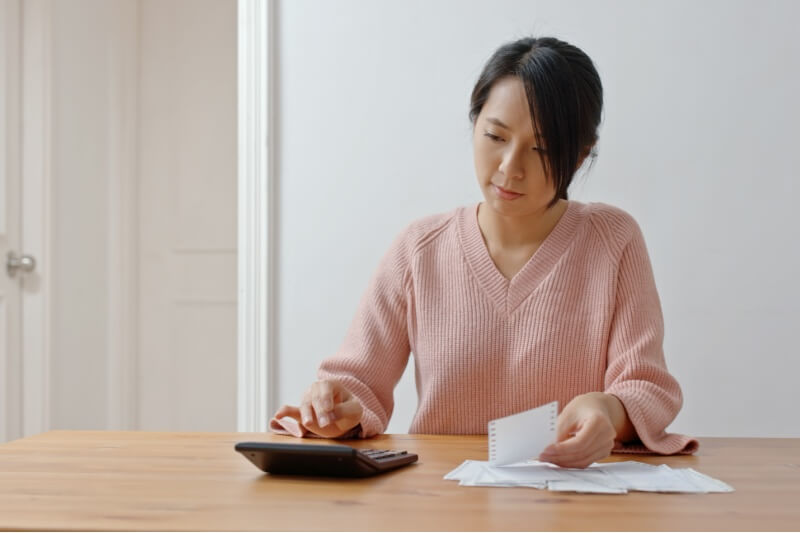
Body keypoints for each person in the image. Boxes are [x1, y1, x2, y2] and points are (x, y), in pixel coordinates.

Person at [271, 36, 698, 468]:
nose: (510, 167)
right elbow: (357, 382)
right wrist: (335, 409)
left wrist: (610, 411)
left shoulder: (613, 241)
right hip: (441, 499)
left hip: (570, 502)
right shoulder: (420, 250)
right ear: (474, 123)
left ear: (580, 155)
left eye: (543, 149)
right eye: (495, 135)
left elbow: (646, 384)